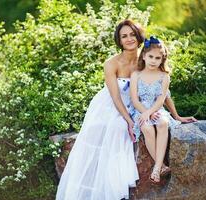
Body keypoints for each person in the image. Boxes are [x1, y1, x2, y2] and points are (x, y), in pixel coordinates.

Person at [56, 20, 196, 199]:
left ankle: (158, 165)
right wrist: (130, 121)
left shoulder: (147, 57)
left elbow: (162, 90)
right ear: (119, 40)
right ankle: (110, 185)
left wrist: (176, 115)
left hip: (143, 104)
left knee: (158, 123)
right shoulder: (111, 64)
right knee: (118, 129)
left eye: (132, 34)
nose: (129, 39)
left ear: (139, 36)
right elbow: (115, 97)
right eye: (124, 36)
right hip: (115, 105)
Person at [130, 36, 181, 184]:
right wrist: (146, 113)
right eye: (150, 56)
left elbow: (161, 99)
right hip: (141, 110)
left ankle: (156, 168)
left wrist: (152, 111)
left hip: (157, 109)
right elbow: (134, 99)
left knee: (163, 123)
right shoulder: (136, 75)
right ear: (144, 56)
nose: (153, 60)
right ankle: (162, 166)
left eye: (157, 58)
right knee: (147, 127)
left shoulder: (164, 76)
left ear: (162, 60)